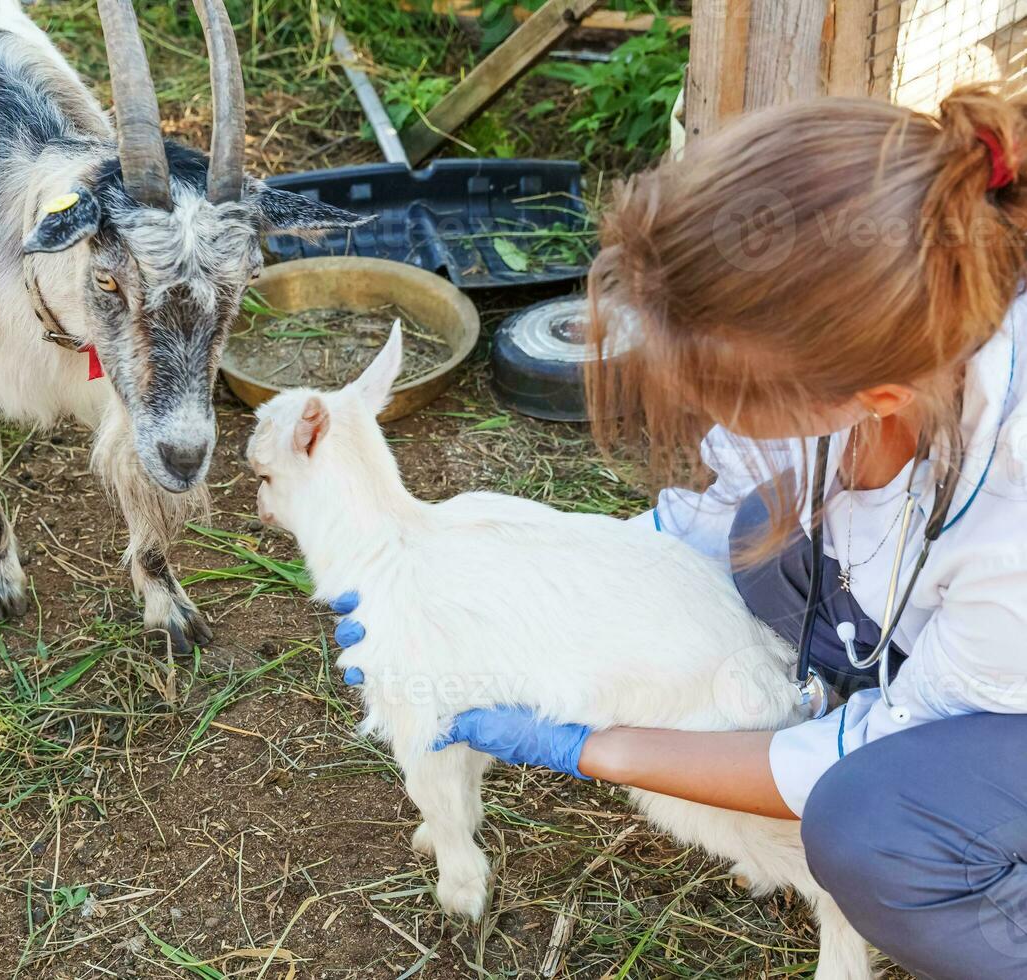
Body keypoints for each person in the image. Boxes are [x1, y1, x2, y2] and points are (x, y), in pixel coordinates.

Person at [332, 86, 1027, 979]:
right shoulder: (880, 317)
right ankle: (854, 663)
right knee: (753, 536)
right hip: (970, 628)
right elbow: (709, 511)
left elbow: (868, 750)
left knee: (869, 829)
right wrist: (527, 588)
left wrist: (598, 746)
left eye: (723, 399)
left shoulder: (1011, 526)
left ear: (878, 398)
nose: (702, 418)